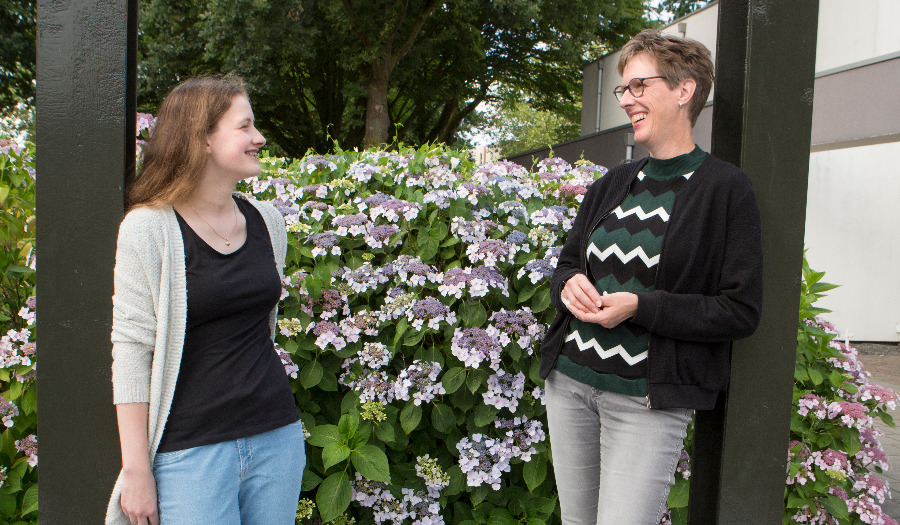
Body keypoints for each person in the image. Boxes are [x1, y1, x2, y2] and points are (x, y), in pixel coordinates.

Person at [539, 29, 763, 525]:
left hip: (645, 400)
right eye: (624, 89)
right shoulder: (613, 183)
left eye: (640, 86)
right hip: (571, 384)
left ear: (685, 90)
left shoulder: (726, 189)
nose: (627, 100)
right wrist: (569, 284)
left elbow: (740, 309)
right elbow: (568, 265)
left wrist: (642, 306)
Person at [105, 76, 305, 525]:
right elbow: (132, 351)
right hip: (189, 453)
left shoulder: (267, 221)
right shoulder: (148, 228)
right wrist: (136, 468)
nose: (260, 138)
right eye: (245, 126)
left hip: (277, 439)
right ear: (202, 139)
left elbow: (257, 328)